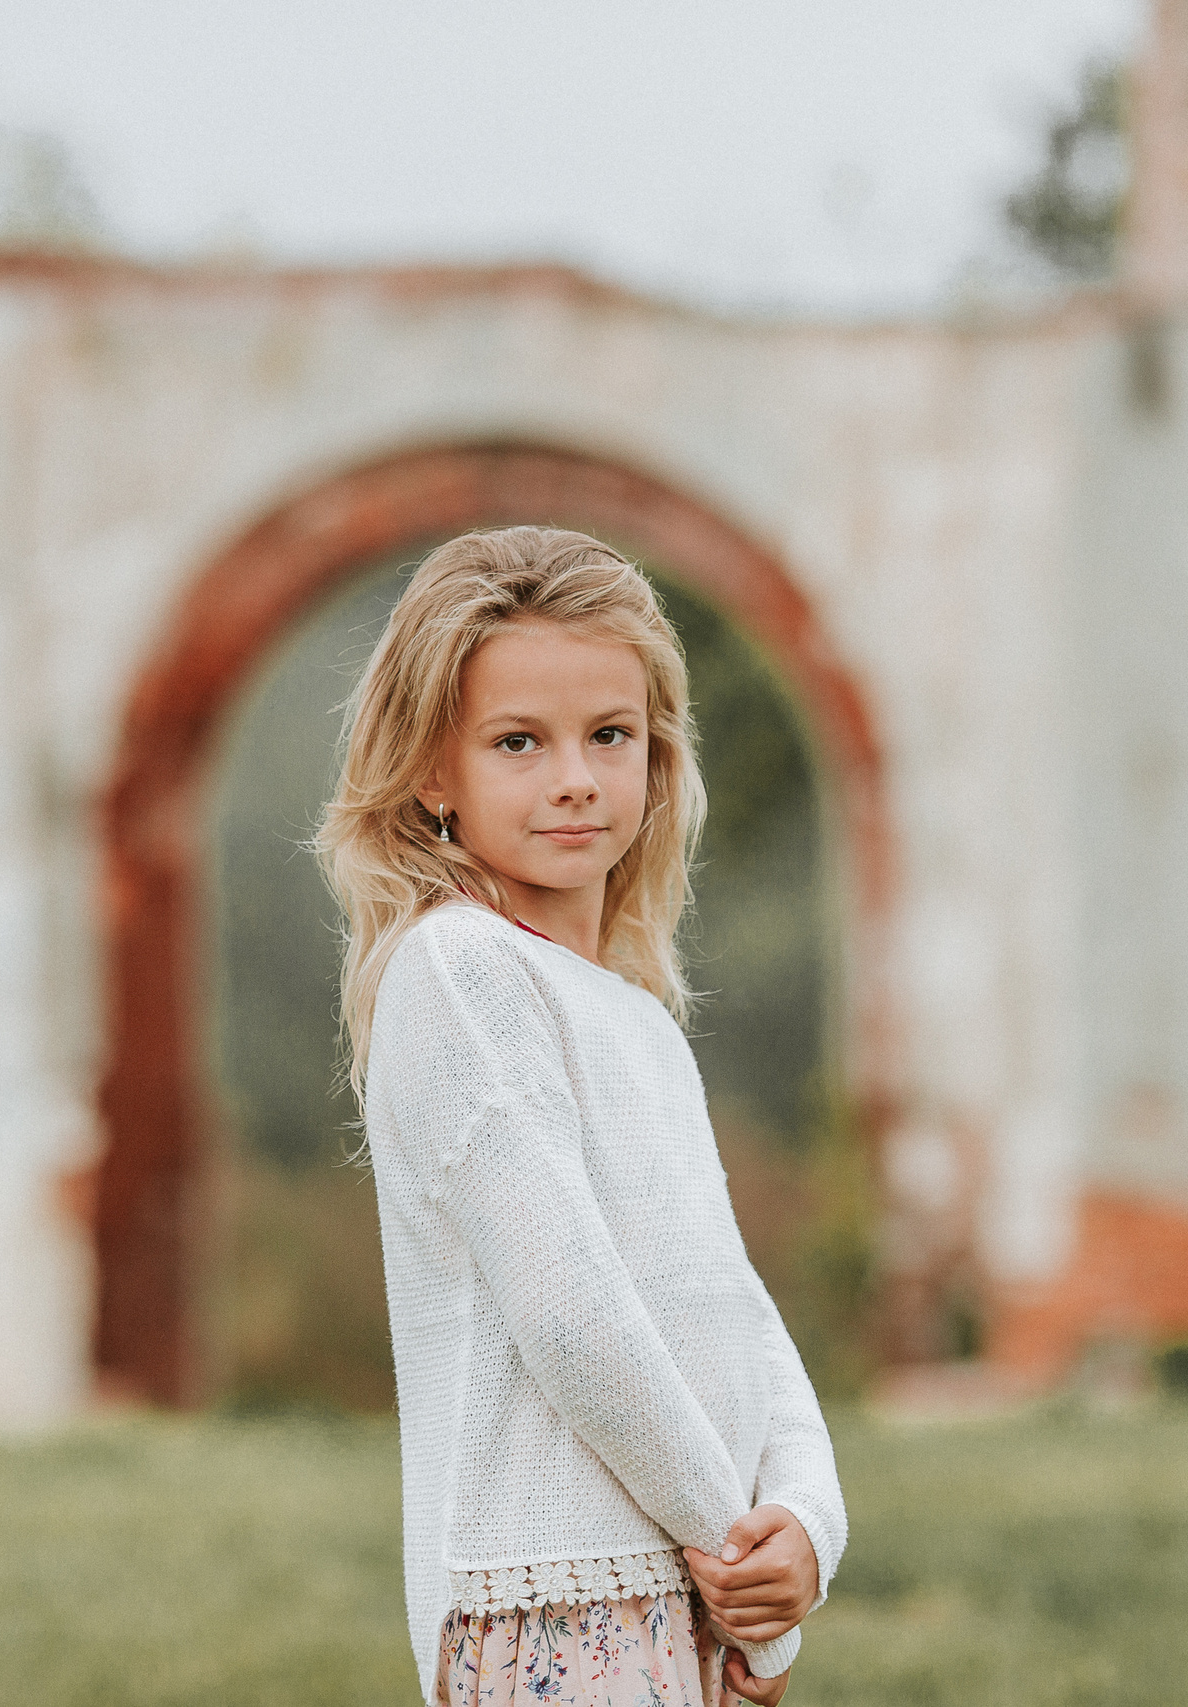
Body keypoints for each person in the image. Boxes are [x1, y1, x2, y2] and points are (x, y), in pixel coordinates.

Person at [317, 527, 847, 1707]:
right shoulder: (458, 975)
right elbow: (574, 1321)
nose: (575, 778)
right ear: (431, 772)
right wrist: (736, 1568)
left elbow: (733, 1304)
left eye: (611, 735)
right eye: (518, 742)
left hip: (681, 1586)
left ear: (658, 757)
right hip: (547, 1602)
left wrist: (807, 1527)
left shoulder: (636, 1019)